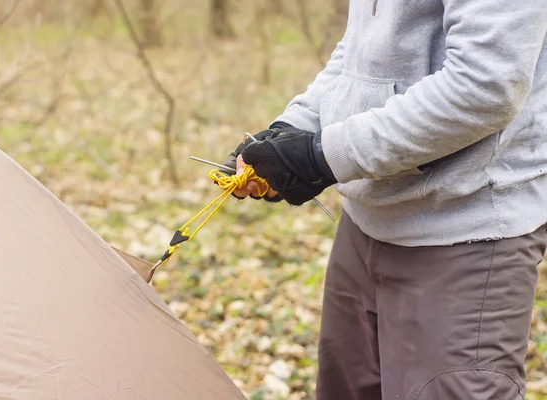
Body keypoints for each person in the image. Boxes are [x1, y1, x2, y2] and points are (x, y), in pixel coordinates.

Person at [221, 1, 547, 399]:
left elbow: (486, 85)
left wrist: (322, 156)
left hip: (465, 230)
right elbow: (360, 52)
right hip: (363, 224)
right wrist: (291, 131)